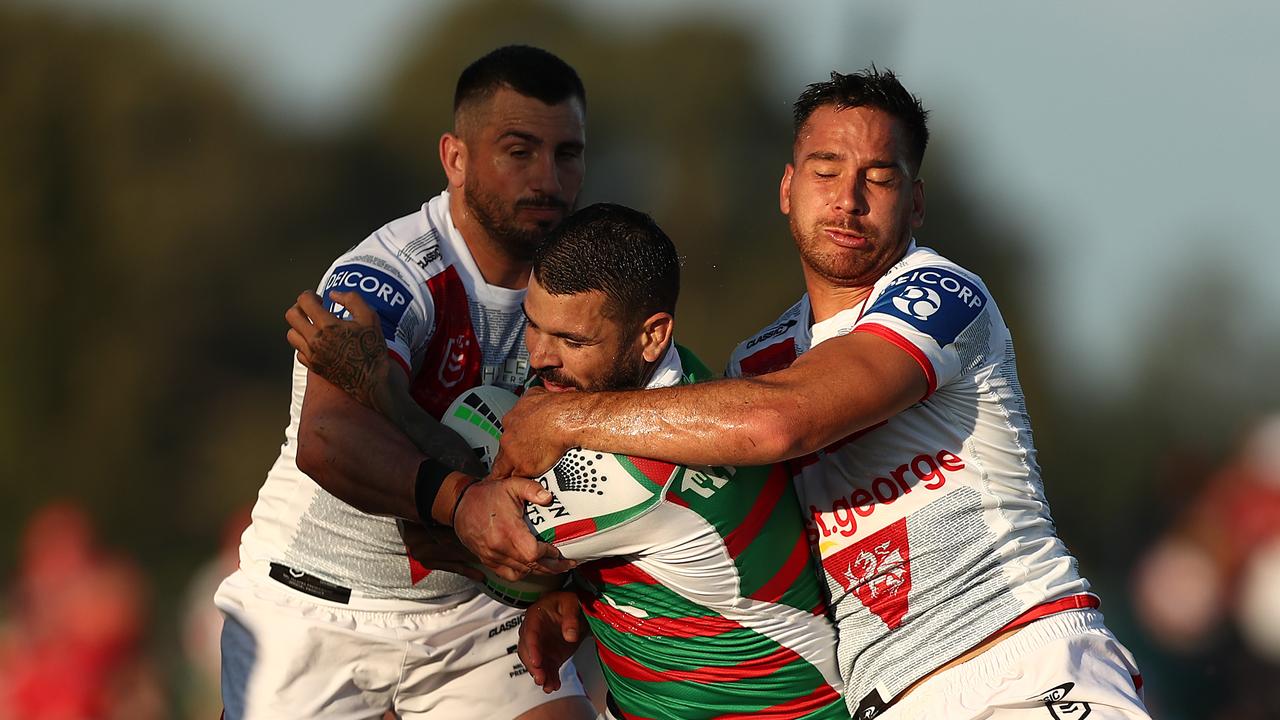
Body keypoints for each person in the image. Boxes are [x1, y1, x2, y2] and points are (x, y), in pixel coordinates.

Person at [474, 69, 1153, 719]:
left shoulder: (941, 295)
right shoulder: (759, 360)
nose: (848, 199)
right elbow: (747, 537)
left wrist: (565, 416)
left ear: (915, 202)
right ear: (788, 188)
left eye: (879, 178)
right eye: (826, 172)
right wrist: (579, 601)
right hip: (887, 700)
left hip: (1018, 665)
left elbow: (781, 423)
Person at [290, 203, 847, 720]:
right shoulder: (689, 380)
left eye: (572, 340)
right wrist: (577, 593)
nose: (539, 356)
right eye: (533, 323)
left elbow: (473, 523)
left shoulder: (628, 480)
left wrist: (379, 387)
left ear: (651, 336)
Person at [214, 46, 594, 720]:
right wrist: (461, 504)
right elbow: (329, 440)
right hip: (315, 606)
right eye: (519, 151)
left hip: (470, 616)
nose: (548, 179)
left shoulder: (585, 284)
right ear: (454, 158)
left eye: (567, 155)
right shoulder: (385, 276)